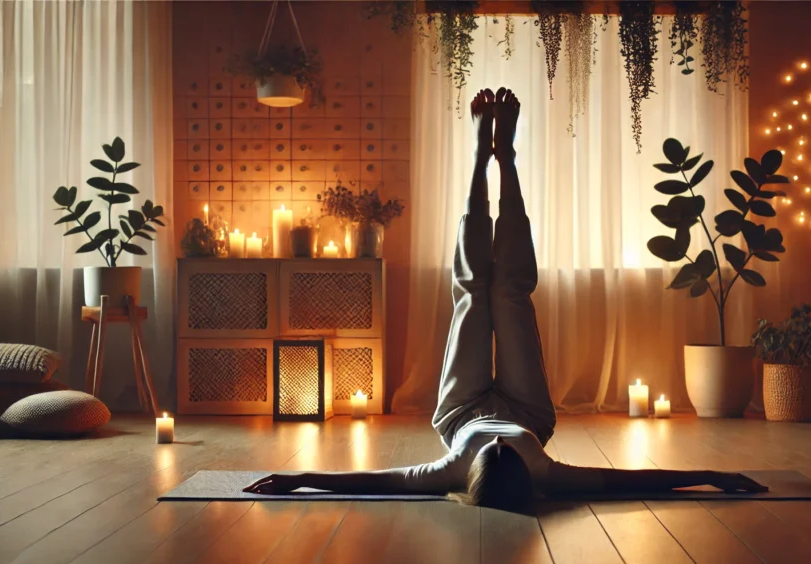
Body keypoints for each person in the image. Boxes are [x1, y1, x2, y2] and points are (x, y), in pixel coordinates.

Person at [244, 88, 768, 513]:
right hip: (529, 409)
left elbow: (373, 479)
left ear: (471, 474)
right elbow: (625, 481)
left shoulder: (448, 471)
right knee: (511, 293)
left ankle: (479, 160)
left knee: (473, 291)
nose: (498, 446)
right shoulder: (544, 472)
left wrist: (299, 479)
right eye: (508, 456)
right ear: (524, 470)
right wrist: (712, 477)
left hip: (460, 410)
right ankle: (508, 160)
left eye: (488, 456)